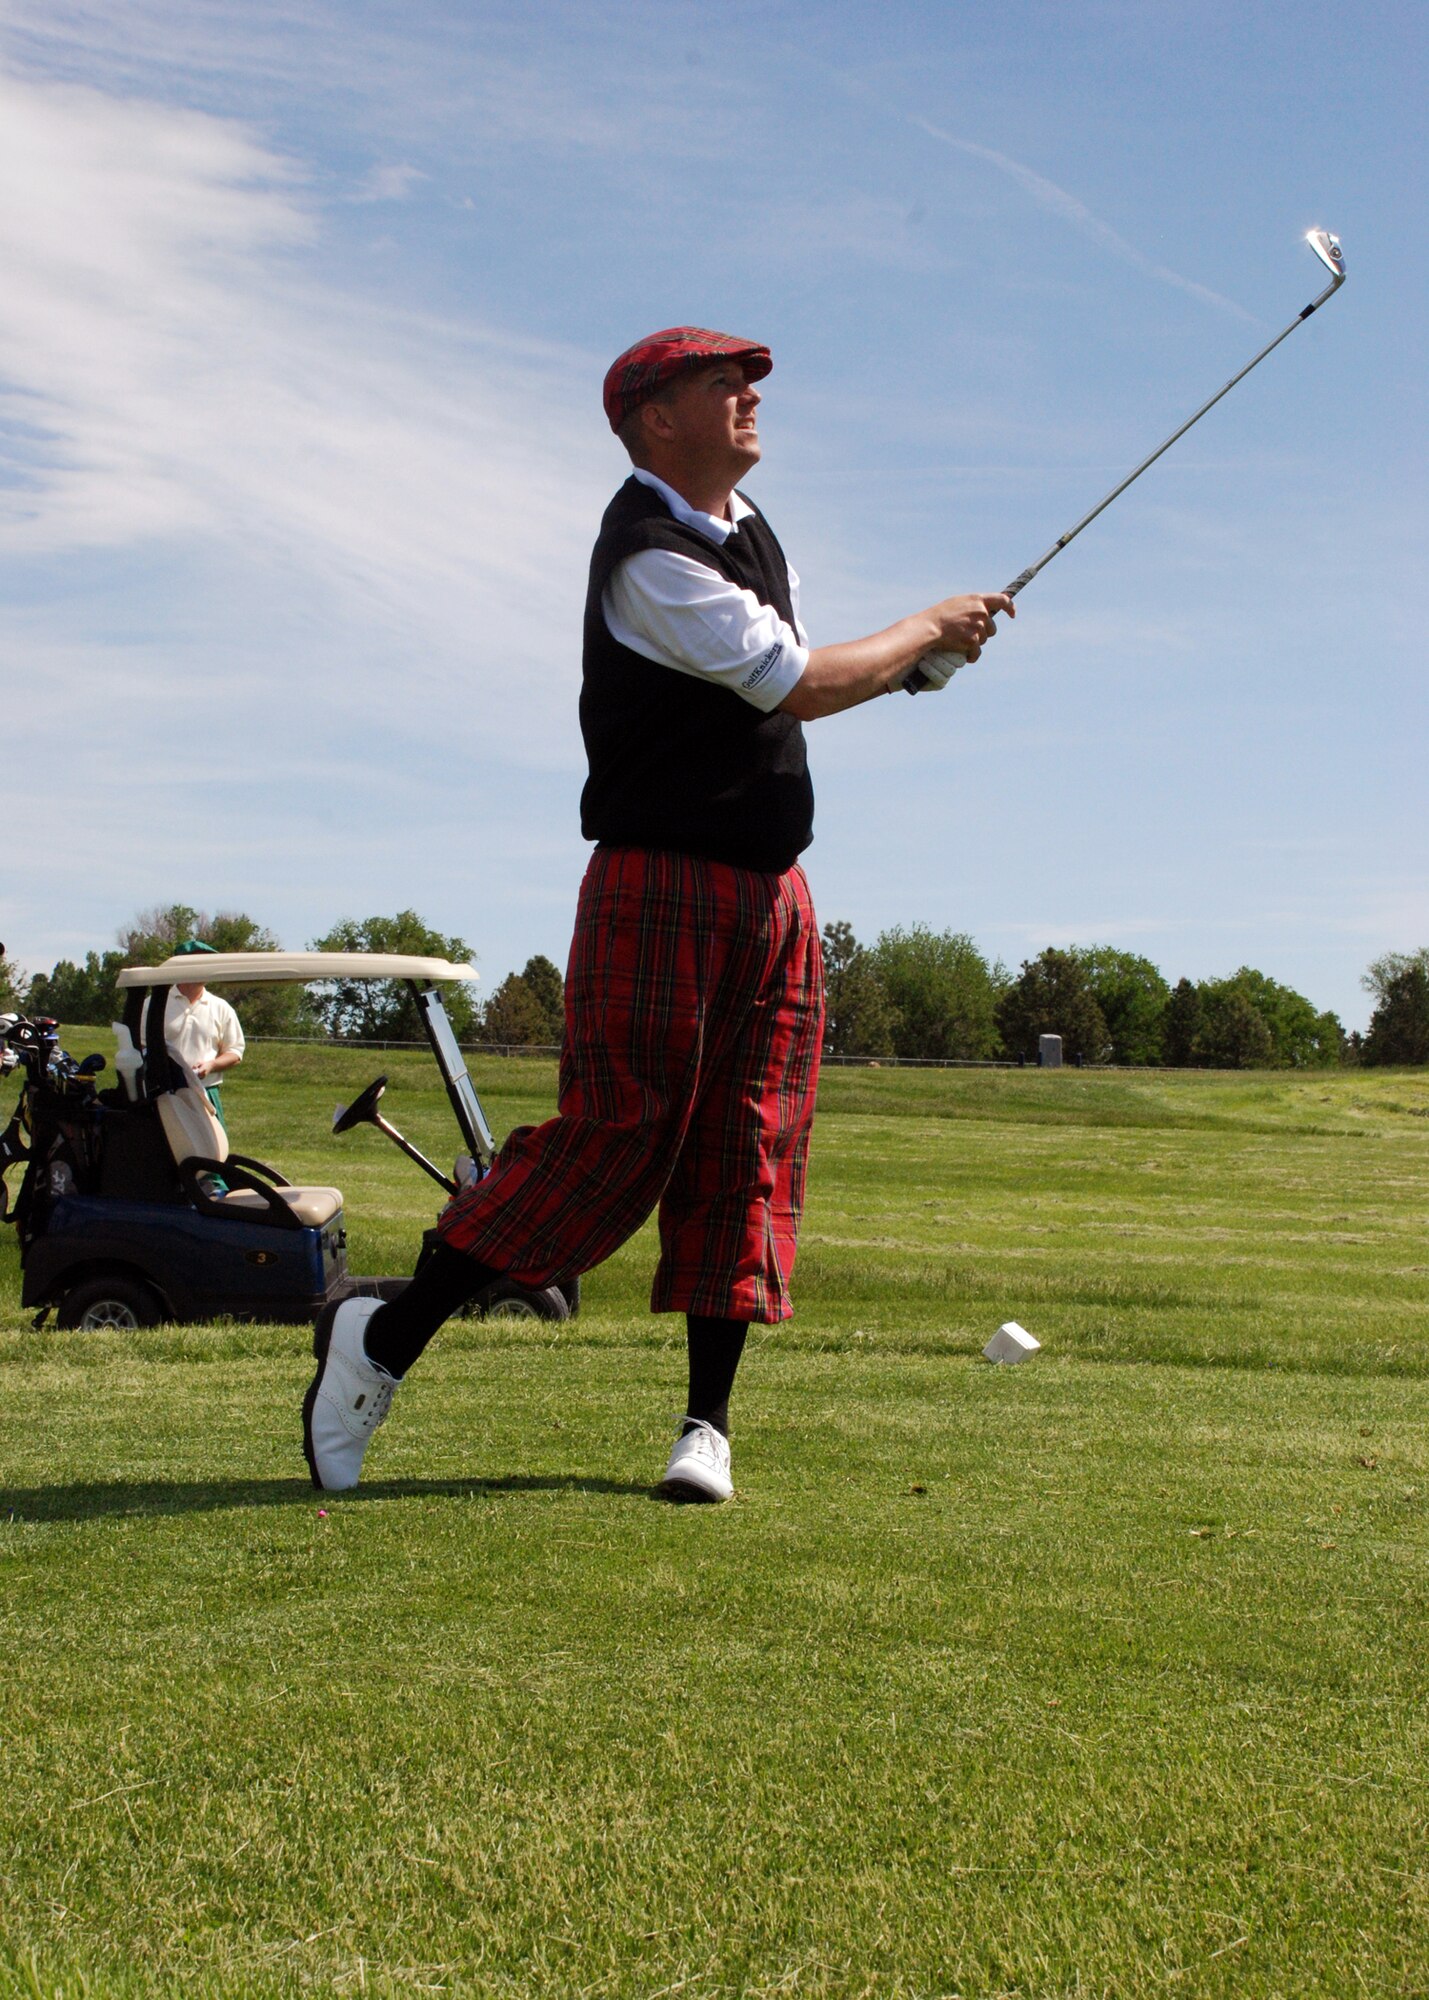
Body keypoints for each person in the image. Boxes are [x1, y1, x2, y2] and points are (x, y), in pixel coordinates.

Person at [302, 325, 1013, 1501]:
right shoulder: (645, 554)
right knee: (615, 1138)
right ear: (653, 418)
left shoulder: (747, 539)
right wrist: (924, 633)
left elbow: (792, 685)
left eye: (748, 382)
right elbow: (797, 682)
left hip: (774, 892)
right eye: (717, 383)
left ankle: (705, 1426)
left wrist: (914, 664)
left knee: (748, 1144)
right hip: (659, 884)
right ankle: (378, 1340)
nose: (745, 396)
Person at [162, 938, 245, 1127]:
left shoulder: (221, 1007)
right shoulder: (155, 1005)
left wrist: (212, 1065)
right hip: (166, 1093)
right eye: (199, 963)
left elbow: (235, 1052)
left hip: (206, 1092)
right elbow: (142, 1046)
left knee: (213, 1152)